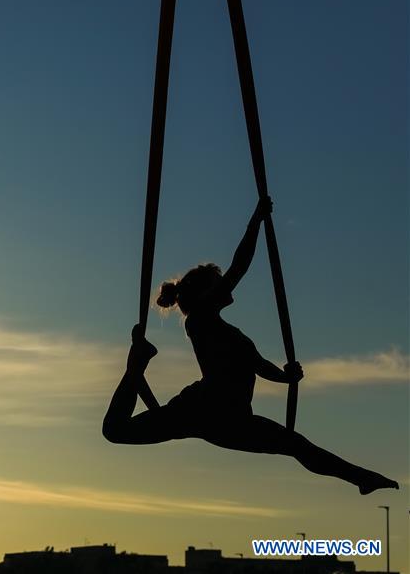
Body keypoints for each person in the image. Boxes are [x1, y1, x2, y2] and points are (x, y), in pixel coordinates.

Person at [102, 197, 398, 495]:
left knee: (296, 445)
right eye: (218, 283)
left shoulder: (232, 334)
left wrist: (287, 377)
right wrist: (255, 221)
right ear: (207, 293)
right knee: (115, 430)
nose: (226, 287)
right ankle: (136, 367)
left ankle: (361, 478)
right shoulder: (200, 320)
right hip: (205, 409)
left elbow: (259, 366)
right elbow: (239, 267)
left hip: (232, 417)